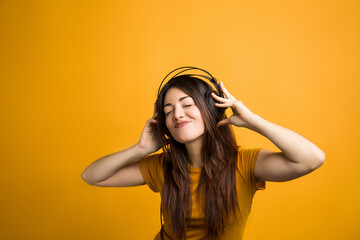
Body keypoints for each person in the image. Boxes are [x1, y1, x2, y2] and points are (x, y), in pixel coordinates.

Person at [81, 73, 325, 240]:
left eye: (187, 105)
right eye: (168, 111)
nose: (177, 114)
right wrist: (140, 149)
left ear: (209, 109)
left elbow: (312, 158)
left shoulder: (245, 163)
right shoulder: (161, 166)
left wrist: (253, 121)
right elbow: (92, 176)